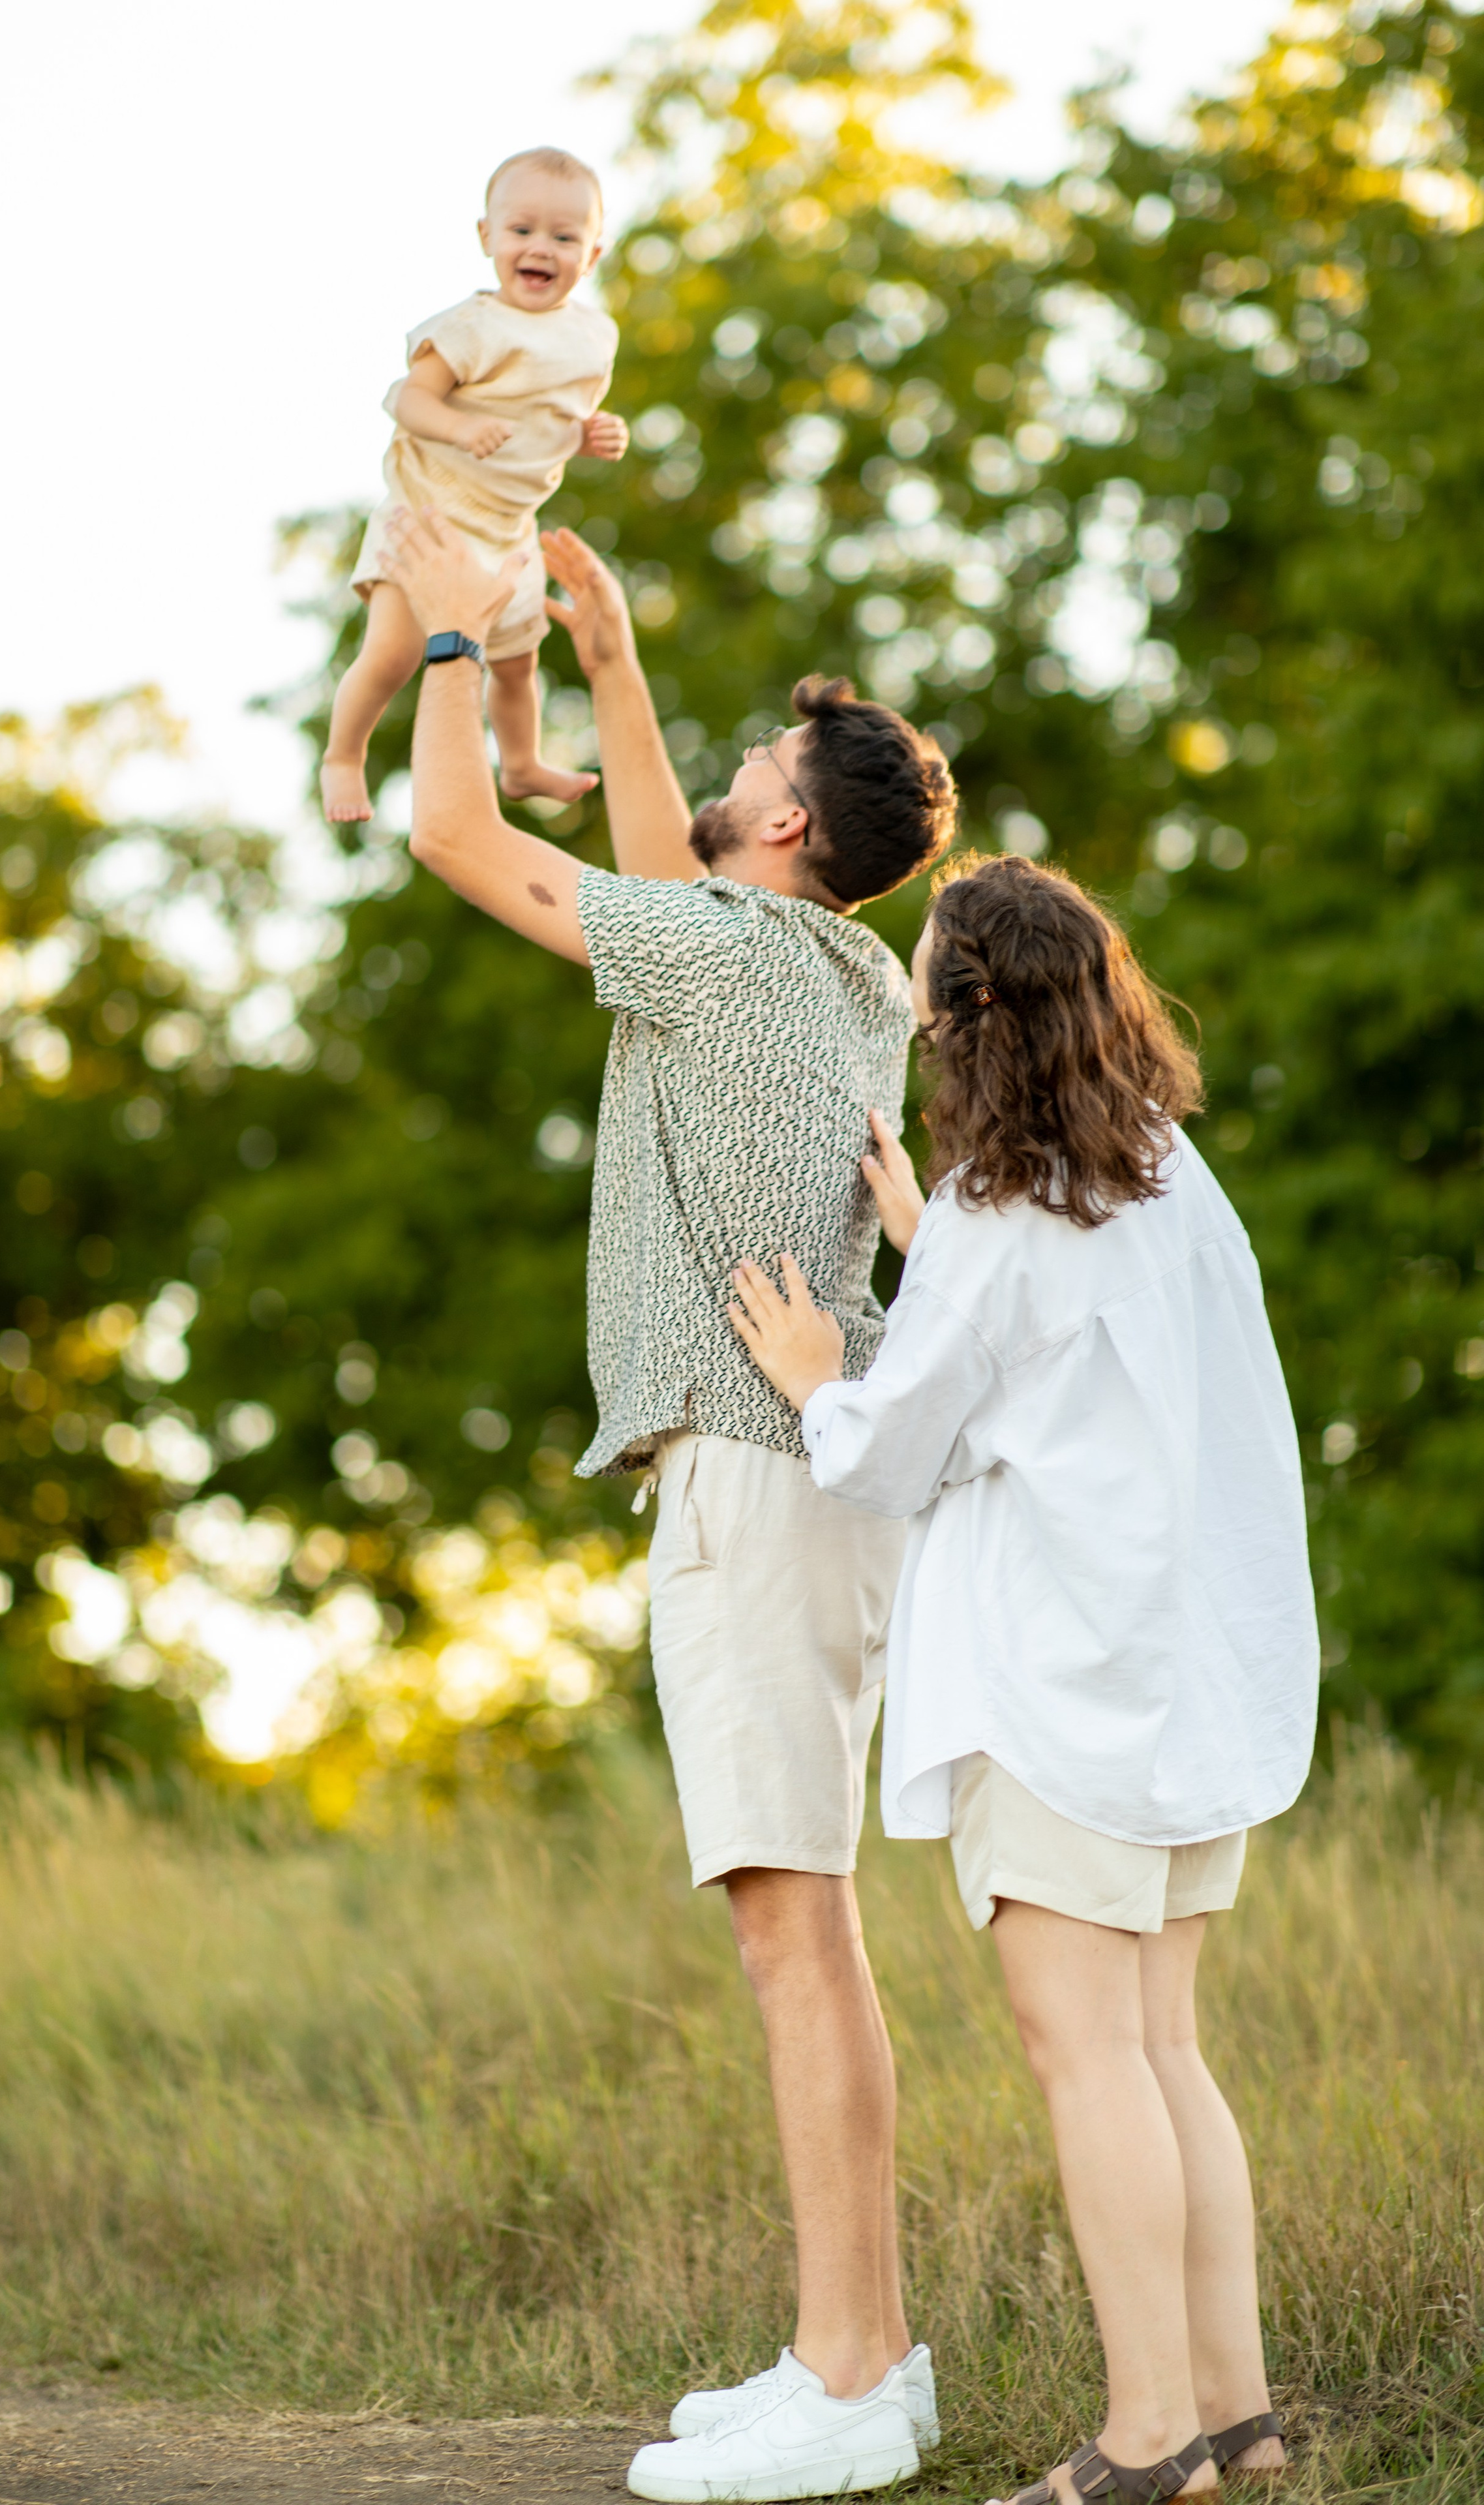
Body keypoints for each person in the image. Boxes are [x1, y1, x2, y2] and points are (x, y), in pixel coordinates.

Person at [380, 502, 958, 2504]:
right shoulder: (839, 972)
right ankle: (854, 2350)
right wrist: (604, 666)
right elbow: (664, 881)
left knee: (794, 1932)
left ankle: (854, 2370)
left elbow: (457, 840)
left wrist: (460, 645)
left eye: (753, 769)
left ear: (785, 830)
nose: (724, 778)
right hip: (806, 1477)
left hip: (752, 1464)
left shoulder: (728, 960)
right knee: (806, 1919)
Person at [727, 853, 1319, 2505]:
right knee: (1163, 2046)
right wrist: (931, 1249)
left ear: (954, 1011)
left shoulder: (997, 1211)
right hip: (1188, 1679)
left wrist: (816, 1376)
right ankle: (1235, 2417)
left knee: (1085, 2054)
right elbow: (1054, 1353)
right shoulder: (1163, 1173)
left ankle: (1143, 2441)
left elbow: (895, 1450)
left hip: (1063, 1687)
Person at [320, 146, 626, 826]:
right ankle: (343, 755)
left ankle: (520, 765)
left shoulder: (589, 338)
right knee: (394, 652)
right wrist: (458, 428)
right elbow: (409, 399)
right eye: (520, 230)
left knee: (517, 663)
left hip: (507, 530)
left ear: (592, 254)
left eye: (563, 236)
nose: (539, 247)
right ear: (486, 237)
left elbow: (547, 420)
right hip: (431, 512)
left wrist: (587, 436)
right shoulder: (471, 327)